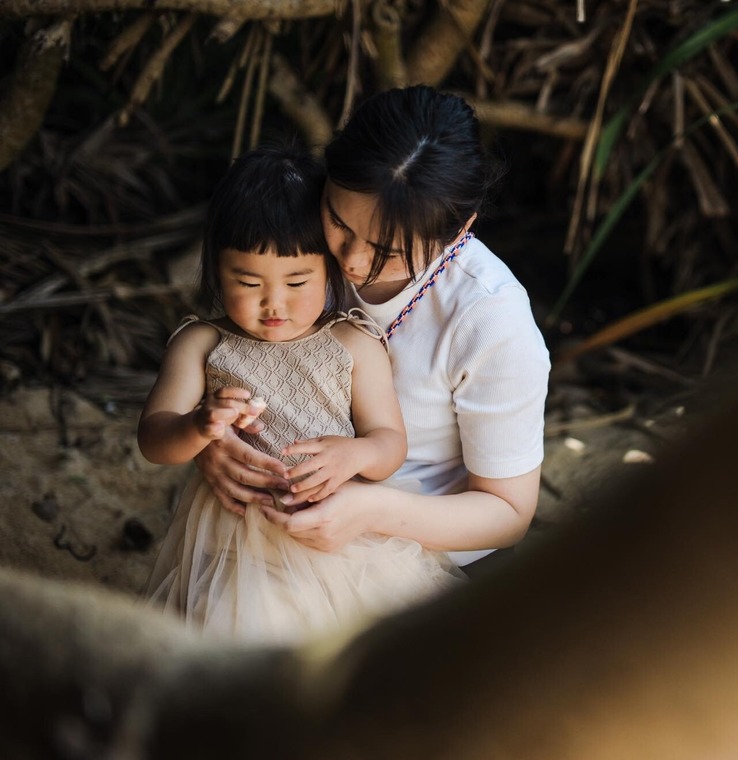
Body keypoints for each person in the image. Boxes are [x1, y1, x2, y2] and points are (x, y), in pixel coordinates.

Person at [195, 85, 550, 579]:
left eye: (392, 252)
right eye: (340, 224)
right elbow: (233, 354)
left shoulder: (490, 319)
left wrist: (371, 510)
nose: (354, 261)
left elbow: (508, 514)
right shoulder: (297, 229)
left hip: (427, 555)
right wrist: (214, 443)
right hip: (278, 524)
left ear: (461, 227)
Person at [140, 144, 464, 643]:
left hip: (338, 539)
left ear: (329, 271)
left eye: (297, 281)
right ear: (215, 269)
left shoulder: (352, 343)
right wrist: (198, 426)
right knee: (236, 633)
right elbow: (154, 439)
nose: (275, 304)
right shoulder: (201, 344)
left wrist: (355, 453)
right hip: (233, 545)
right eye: (248, 282)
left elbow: (389, 444)